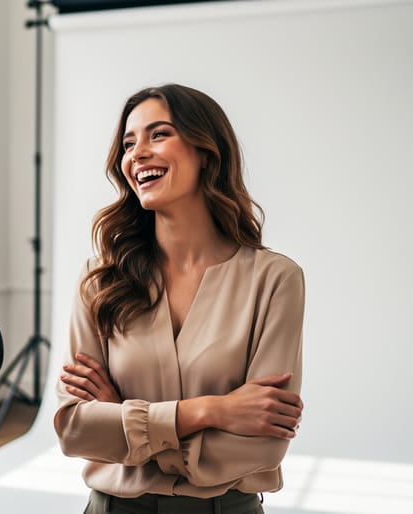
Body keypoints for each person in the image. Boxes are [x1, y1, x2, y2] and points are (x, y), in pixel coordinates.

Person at [54, 84, 305, 514]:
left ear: (206, 152)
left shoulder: (275, 280)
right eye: (128, 143)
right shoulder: (100, 280)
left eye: (159, 134)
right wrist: (214, 410)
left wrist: (125, 421)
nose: (137, 154)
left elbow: (264, 444)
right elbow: (75, 429)